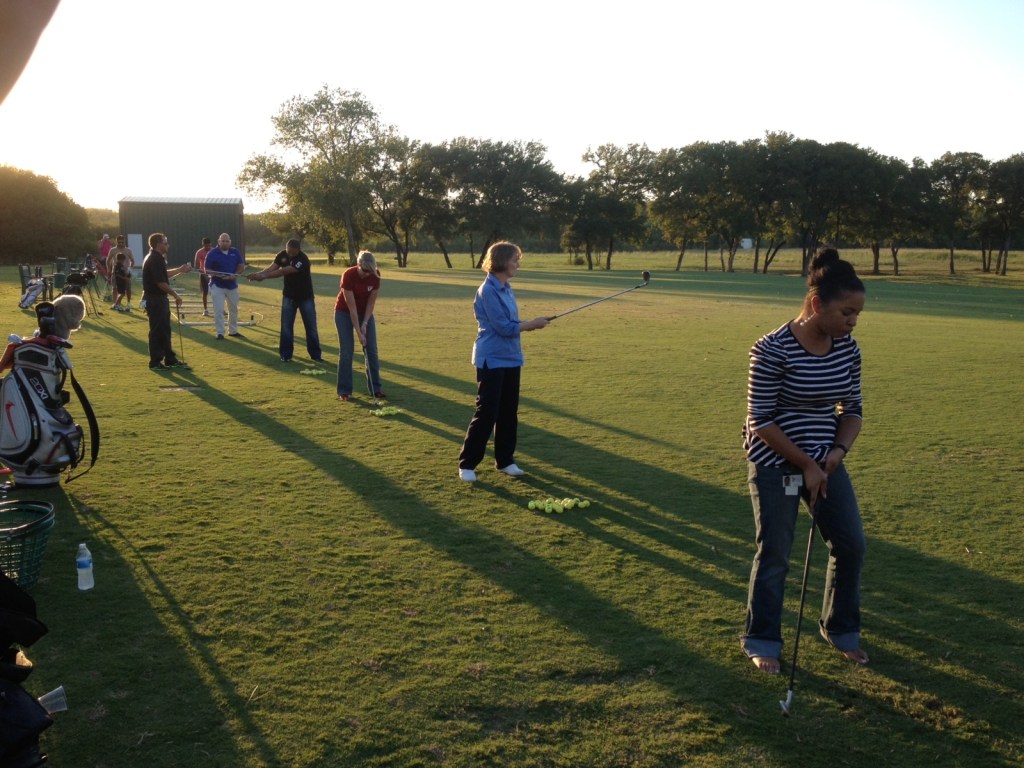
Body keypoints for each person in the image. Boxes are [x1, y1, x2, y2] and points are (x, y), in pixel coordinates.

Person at [741, 247, 869, 674]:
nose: (852, 322)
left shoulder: (847, 349)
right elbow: (761, 420)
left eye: (857, 314)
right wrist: (806, 466)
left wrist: (835, 454)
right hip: (777, 463)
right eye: (846, 312)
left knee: (850, 545)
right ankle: (762, 640)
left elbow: (852, 410)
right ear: (816, 304)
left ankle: (841, 628)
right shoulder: (772, 348)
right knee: (776, 551)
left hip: (826, 463)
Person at [457, 241, 549, 482]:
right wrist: (532, 324)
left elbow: (511, 325)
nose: (517, 264)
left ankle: (505, 460)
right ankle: (467, 464)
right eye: (514, 260)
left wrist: (529, 324)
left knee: (509, 411)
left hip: (511, 357)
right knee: (487, 412)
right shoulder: (487, 291)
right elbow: (504, 328)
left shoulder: (506, 287)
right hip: (491, 358)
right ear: (501, 261)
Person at [249, 239, 322, 362]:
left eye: (293, 253)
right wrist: (258, 275)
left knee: (311, 327)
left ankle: (316, 355)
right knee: (286, 326)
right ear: (286, 248)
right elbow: (272, 268)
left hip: (305, 298)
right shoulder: (282, 255)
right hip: (289, 297)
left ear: (298, 250)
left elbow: (284, 271)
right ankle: (286, 355)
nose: (290, 255)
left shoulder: (303, 260)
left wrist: (263, 277)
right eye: (289, 252)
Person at [334, 251, 385, 401]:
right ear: (358, 265)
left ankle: (376, 389)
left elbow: (371, 303)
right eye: (364, 270)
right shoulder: (348, 275)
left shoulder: (375, 276)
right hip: (344, 312)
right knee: (346, 351)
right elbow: (352, 309)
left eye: (370, 271)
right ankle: (344, 390)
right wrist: (359, 332)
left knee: (372, 350)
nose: (366, 274)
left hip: (365, 313)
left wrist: (365, 324)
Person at [141, 232, 192, 370]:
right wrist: (176, 295)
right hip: (155, 299)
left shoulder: (157, 258)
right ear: (158, 245)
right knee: (157, 330)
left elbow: (164, 275)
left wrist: (181, 270)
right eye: (165, 243)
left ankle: (169, 358)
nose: (167, 245)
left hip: (159, 299)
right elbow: (160, 283)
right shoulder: (155, 259)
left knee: (165, 329)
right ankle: (155, 362)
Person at [205, 233, 246, 339]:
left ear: (230, 242)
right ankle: (220, 333)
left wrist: (235, 275)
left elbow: (241, 267)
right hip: (217, 285)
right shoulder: (212, 253)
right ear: (218, 242)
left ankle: (233, 331)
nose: (225, 243)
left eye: (227, 241)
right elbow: (207, 269)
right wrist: (218, 275)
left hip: (232, 285)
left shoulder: (235, 252)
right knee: (218, 310)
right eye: (223, 241)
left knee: (233, 309)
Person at [107, 235, 134, 311]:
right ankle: (116, 304)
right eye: (119, 242)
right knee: (115, 288)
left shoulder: (128, 250)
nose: (121, 243)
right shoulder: (113, 250)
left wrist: (129, 269)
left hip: (126, 273)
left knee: (128, 289)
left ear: (125, 241)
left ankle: (128, 303)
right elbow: (108, 260)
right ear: (117, 241)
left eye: (123, 242)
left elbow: (133, 261)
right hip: (116, 273)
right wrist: (108, 269)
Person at [193, 237, 213, 316]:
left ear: (211, 244)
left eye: (209, 245)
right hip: (203, 273)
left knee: (218, 291)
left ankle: (221, 309)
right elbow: (196, 266)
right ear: (203, 245)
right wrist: (205, 275)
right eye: (206, 246)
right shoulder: (199, 252)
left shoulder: (214, 251)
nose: (207, 247)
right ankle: (205, 309)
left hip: (213, 273)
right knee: (205, 292)